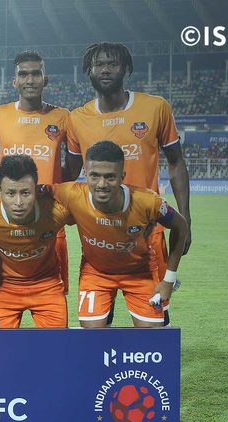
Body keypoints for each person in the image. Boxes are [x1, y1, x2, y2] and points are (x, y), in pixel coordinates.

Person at [65, 42, 192, 283]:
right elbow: (68, 176)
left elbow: (176, 162)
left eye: (112, 64)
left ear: (125, 69)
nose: (105, 69)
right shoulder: (76, 119)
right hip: (98, 230)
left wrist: (184, 218)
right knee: (99, 303)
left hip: (148, 227)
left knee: (155, 303)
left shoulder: (156, 108)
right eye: (98, 64)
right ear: (89, 70)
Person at [55, 140, 188, 328]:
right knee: (91, 333)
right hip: (96, 273)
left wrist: (169, 279)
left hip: (139, 272)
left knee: (152, 334)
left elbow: (181, 226)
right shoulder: (71, 193)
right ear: (85, 174)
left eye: (110, 177)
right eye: (94, 176)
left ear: (122, 176)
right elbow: (32, 192)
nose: (102, 184)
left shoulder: (147, 201)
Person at [0, 50, 71, 294]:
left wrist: (52, 187)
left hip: (51, 219)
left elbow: (73, 165)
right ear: (14, 81)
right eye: (23, 74)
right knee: (5, 288)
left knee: (56, 292)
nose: (30, 80)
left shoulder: (63, 117)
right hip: (9, 219)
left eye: (36, 74)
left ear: (46, 79)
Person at [0, 155, 71, 328]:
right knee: (2, 345)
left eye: (26, 193)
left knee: (56, 343)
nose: (18, 202)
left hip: (47, 287)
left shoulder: (56, 211)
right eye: (10, 193)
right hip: (3, 289)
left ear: (36, 190)